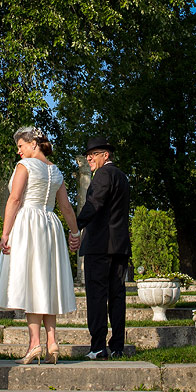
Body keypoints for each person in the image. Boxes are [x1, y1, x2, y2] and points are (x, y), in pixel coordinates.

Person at [0, 125, 79, 364]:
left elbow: (15, 199)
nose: (18, 151)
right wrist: (74, 233)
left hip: (29, 224)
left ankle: (34, 344)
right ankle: (52, 342)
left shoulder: (25, 166)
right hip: (51, 225)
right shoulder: (57, 171)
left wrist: (5, 232)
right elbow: (66, 207)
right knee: (47, 284)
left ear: (33, 143)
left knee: (32, 284)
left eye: (20, 146)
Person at [72, 135, 131, 360]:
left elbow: (94, 204)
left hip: (100, 245)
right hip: (119, 246)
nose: (89, 159)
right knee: (117, 295)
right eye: (87, 155)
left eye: (93, 154)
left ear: (105, 155)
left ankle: (98, 347)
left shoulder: (103, 175)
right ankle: (117, 346)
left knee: (97, 296)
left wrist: (75, 226)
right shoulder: (122, 177)